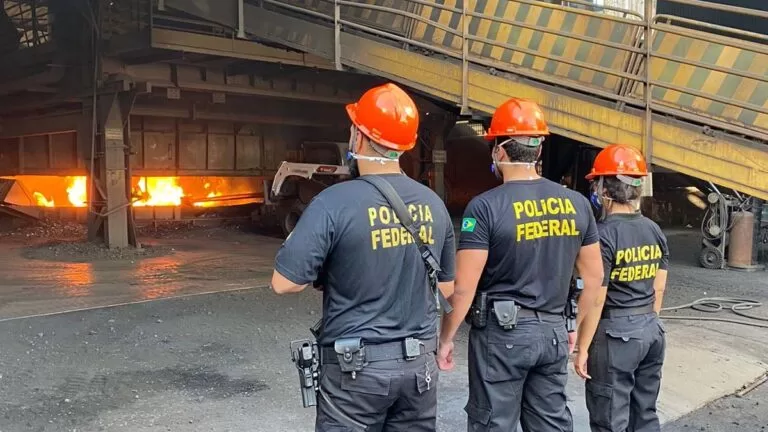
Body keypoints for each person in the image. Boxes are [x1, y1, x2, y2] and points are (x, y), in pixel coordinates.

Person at [271, 82, 456, 432]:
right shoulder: (433, 204)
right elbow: (447, 289)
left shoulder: (333, 202)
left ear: (358, 135)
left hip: (355, 375)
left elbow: (284, 283)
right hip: (418, 370)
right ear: (405, 144)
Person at [436, 98, 604, 431]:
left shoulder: (485, 208)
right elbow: (595, 276)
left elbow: (465, 285)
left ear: (499, 150)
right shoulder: (576, 204)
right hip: (553, 331)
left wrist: (445, 338)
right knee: (550, 424)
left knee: (493, 423)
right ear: (538, 151)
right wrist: (571, 325)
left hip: (502, 336)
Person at [573, 144, 669, 432]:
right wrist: (645, 324)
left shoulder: (603, 236)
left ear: (603, 189)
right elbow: (659, 288)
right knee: (644, 415)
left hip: (616, 336)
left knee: (610, 420)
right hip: (652, 330)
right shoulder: (654, 229)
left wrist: (582, 347)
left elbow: (597, 298)